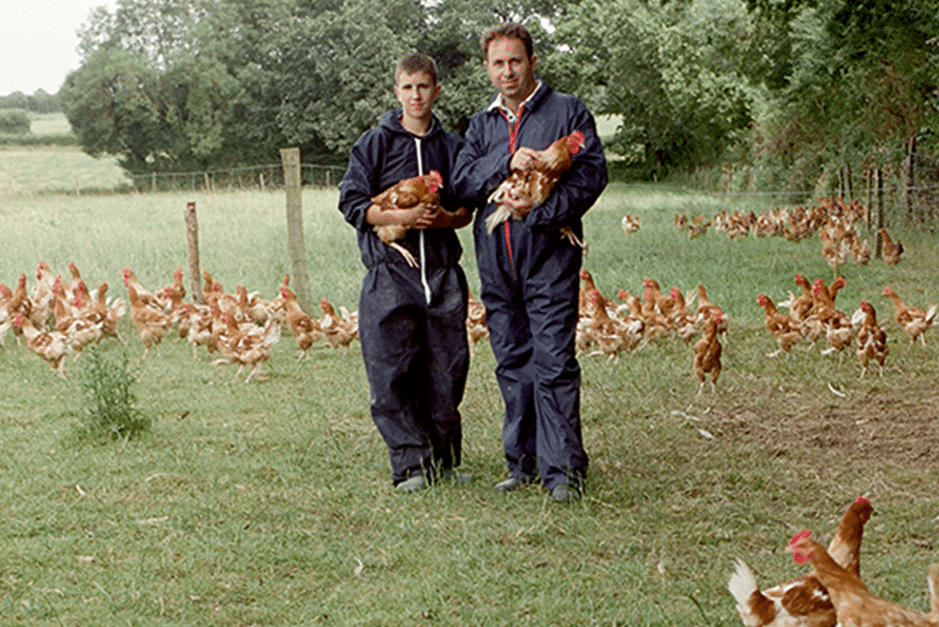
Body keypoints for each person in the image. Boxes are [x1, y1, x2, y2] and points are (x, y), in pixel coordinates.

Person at [453, 23, 608, 503]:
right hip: (497, 262)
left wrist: (541, 214)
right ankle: (523, 463)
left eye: (516, 61)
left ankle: (563, 470)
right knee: (512, 361)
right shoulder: (481, 126)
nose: (508, 71)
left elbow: (591, 174)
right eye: (498, 63)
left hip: (548, 257)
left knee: (555, 361)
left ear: (532, 62)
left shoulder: (566, 111)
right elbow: (461, 183)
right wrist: (506, 158)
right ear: (487, 68)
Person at [337, 53, 474, 492]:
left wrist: (440, 220)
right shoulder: (373, 144)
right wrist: (402, 215)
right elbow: (352, 203)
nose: (416, 95)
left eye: (424, 86)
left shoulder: (453, 147)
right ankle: (411, 465)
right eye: (407, 87)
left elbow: (466, 210)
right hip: (390, 271)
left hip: (441, 271)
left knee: (448, 368)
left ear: (436, 90)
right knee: (391, 369)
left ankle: (444, 460)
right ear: (397, 91)